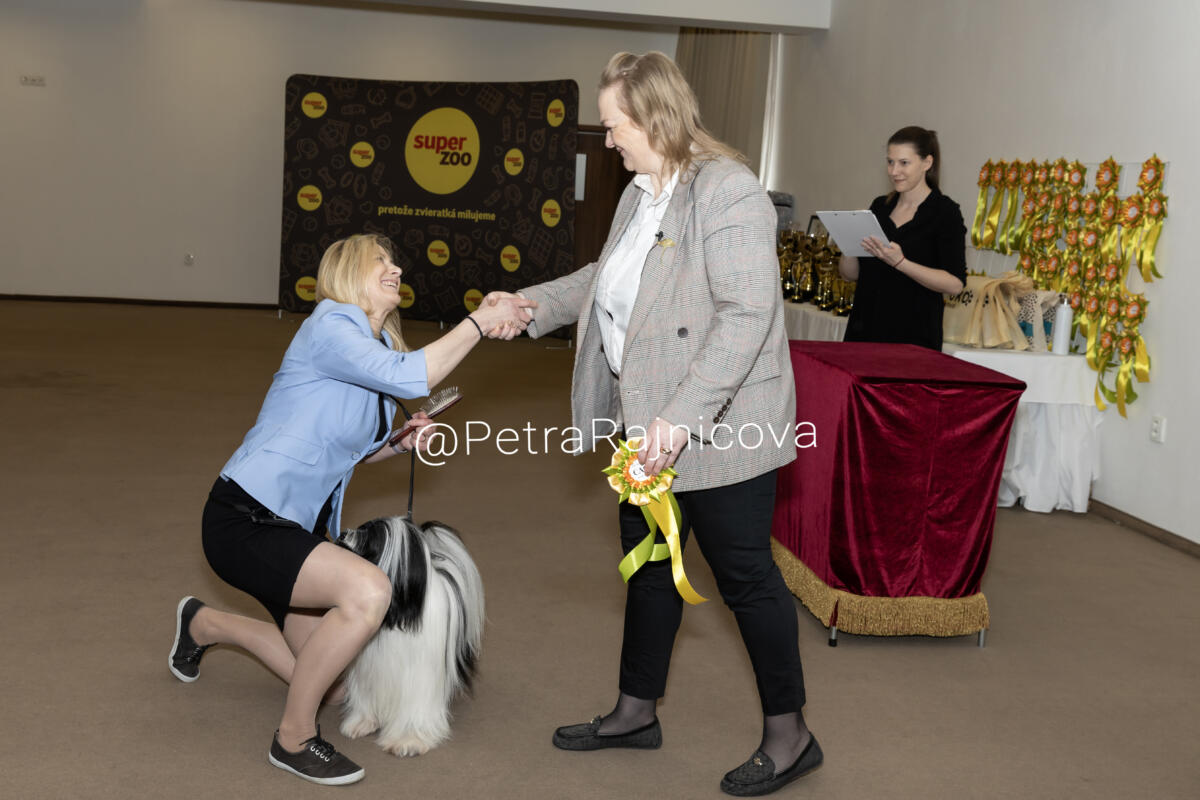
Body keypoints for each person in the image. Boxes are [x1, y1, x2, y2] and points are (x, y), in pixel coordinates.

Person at [501, 52, 820, 797]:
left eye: (615, 126)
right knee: (648, 566)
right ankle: (635, 712)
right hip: (644, 420)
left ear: (657, 118)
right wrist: (532, 304)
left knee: (746, 579)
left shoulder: (728, 191)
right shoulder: (640, 192)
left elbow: (746, 317)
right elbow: (607, 278)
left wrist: (678, 422)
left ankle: (792, 735)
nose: (608, 139)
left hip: (718, 425)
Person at [168, 233, 534, 786]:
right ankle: (293, 739)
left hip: (297, 531)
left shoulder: (373, 347)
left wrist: (398, 444)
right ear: (345, 273)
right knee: (369, 592)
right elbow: (416, 375)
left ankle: (204, 622)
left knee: (337, 686)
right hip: (247, 518)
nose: (396, 268)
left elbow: (351, 450)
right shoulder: (331, 325)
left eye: (395, 261)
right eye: (379, 261)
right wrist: (481, 321)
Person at [839, 125, 967, 351]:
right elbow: (849, 275)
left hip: (913, 341)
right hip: (864, 335)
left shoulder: (945, 213)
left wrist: (901, 263)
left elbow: (955, 284)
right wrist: (850, 242)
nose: (894, 171)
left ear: (927, 163)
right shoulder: (879, 207)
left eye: (904, 163)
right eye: (890, 162)